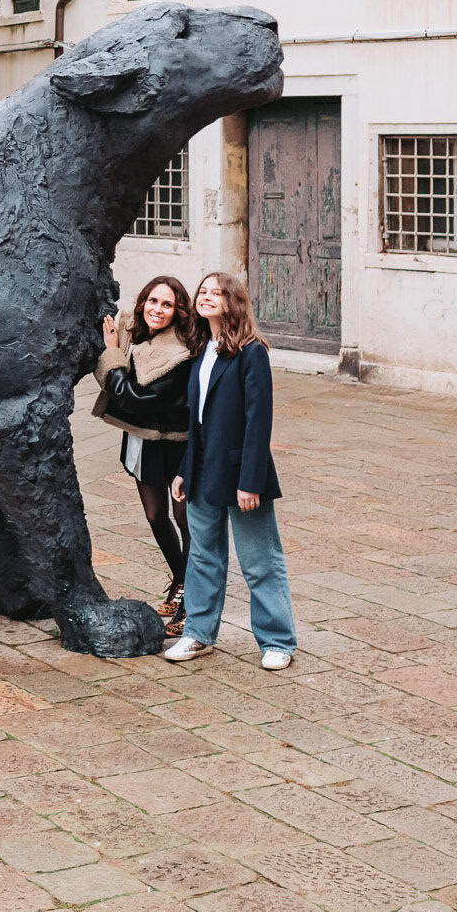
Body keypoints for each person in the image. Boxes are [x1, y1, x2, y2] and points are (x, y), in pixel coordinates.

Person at [164, 270, 297, 672]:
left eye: (215, 292)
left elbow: (259, 421)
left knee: (260, 561)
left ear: (232, 301)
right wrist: (184, 470)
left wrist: (251, 480)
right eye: (202, 291)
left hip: (242, 476)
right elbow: (198, 422)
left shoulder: (252, 352)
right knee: (203, 557)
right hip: (203, 472)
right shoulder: (202, 350)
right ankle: (199, 634)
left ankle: (277, 641)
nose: (205, 297)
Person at [91, 277, 196, 633]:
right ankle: (180, 580)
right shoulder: (132, 334)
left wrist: (112, 357)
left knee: (186, 521)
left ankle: (192, 606)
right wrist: (115, 347)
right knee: (155, 515)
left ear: (177, 311)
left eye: (167, 305)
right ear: (143, 302)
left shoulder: (180, 353)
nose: (157, 310)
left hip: (179, 443)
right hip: (144, 439)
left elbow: (133, 399)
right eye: (153, 301)